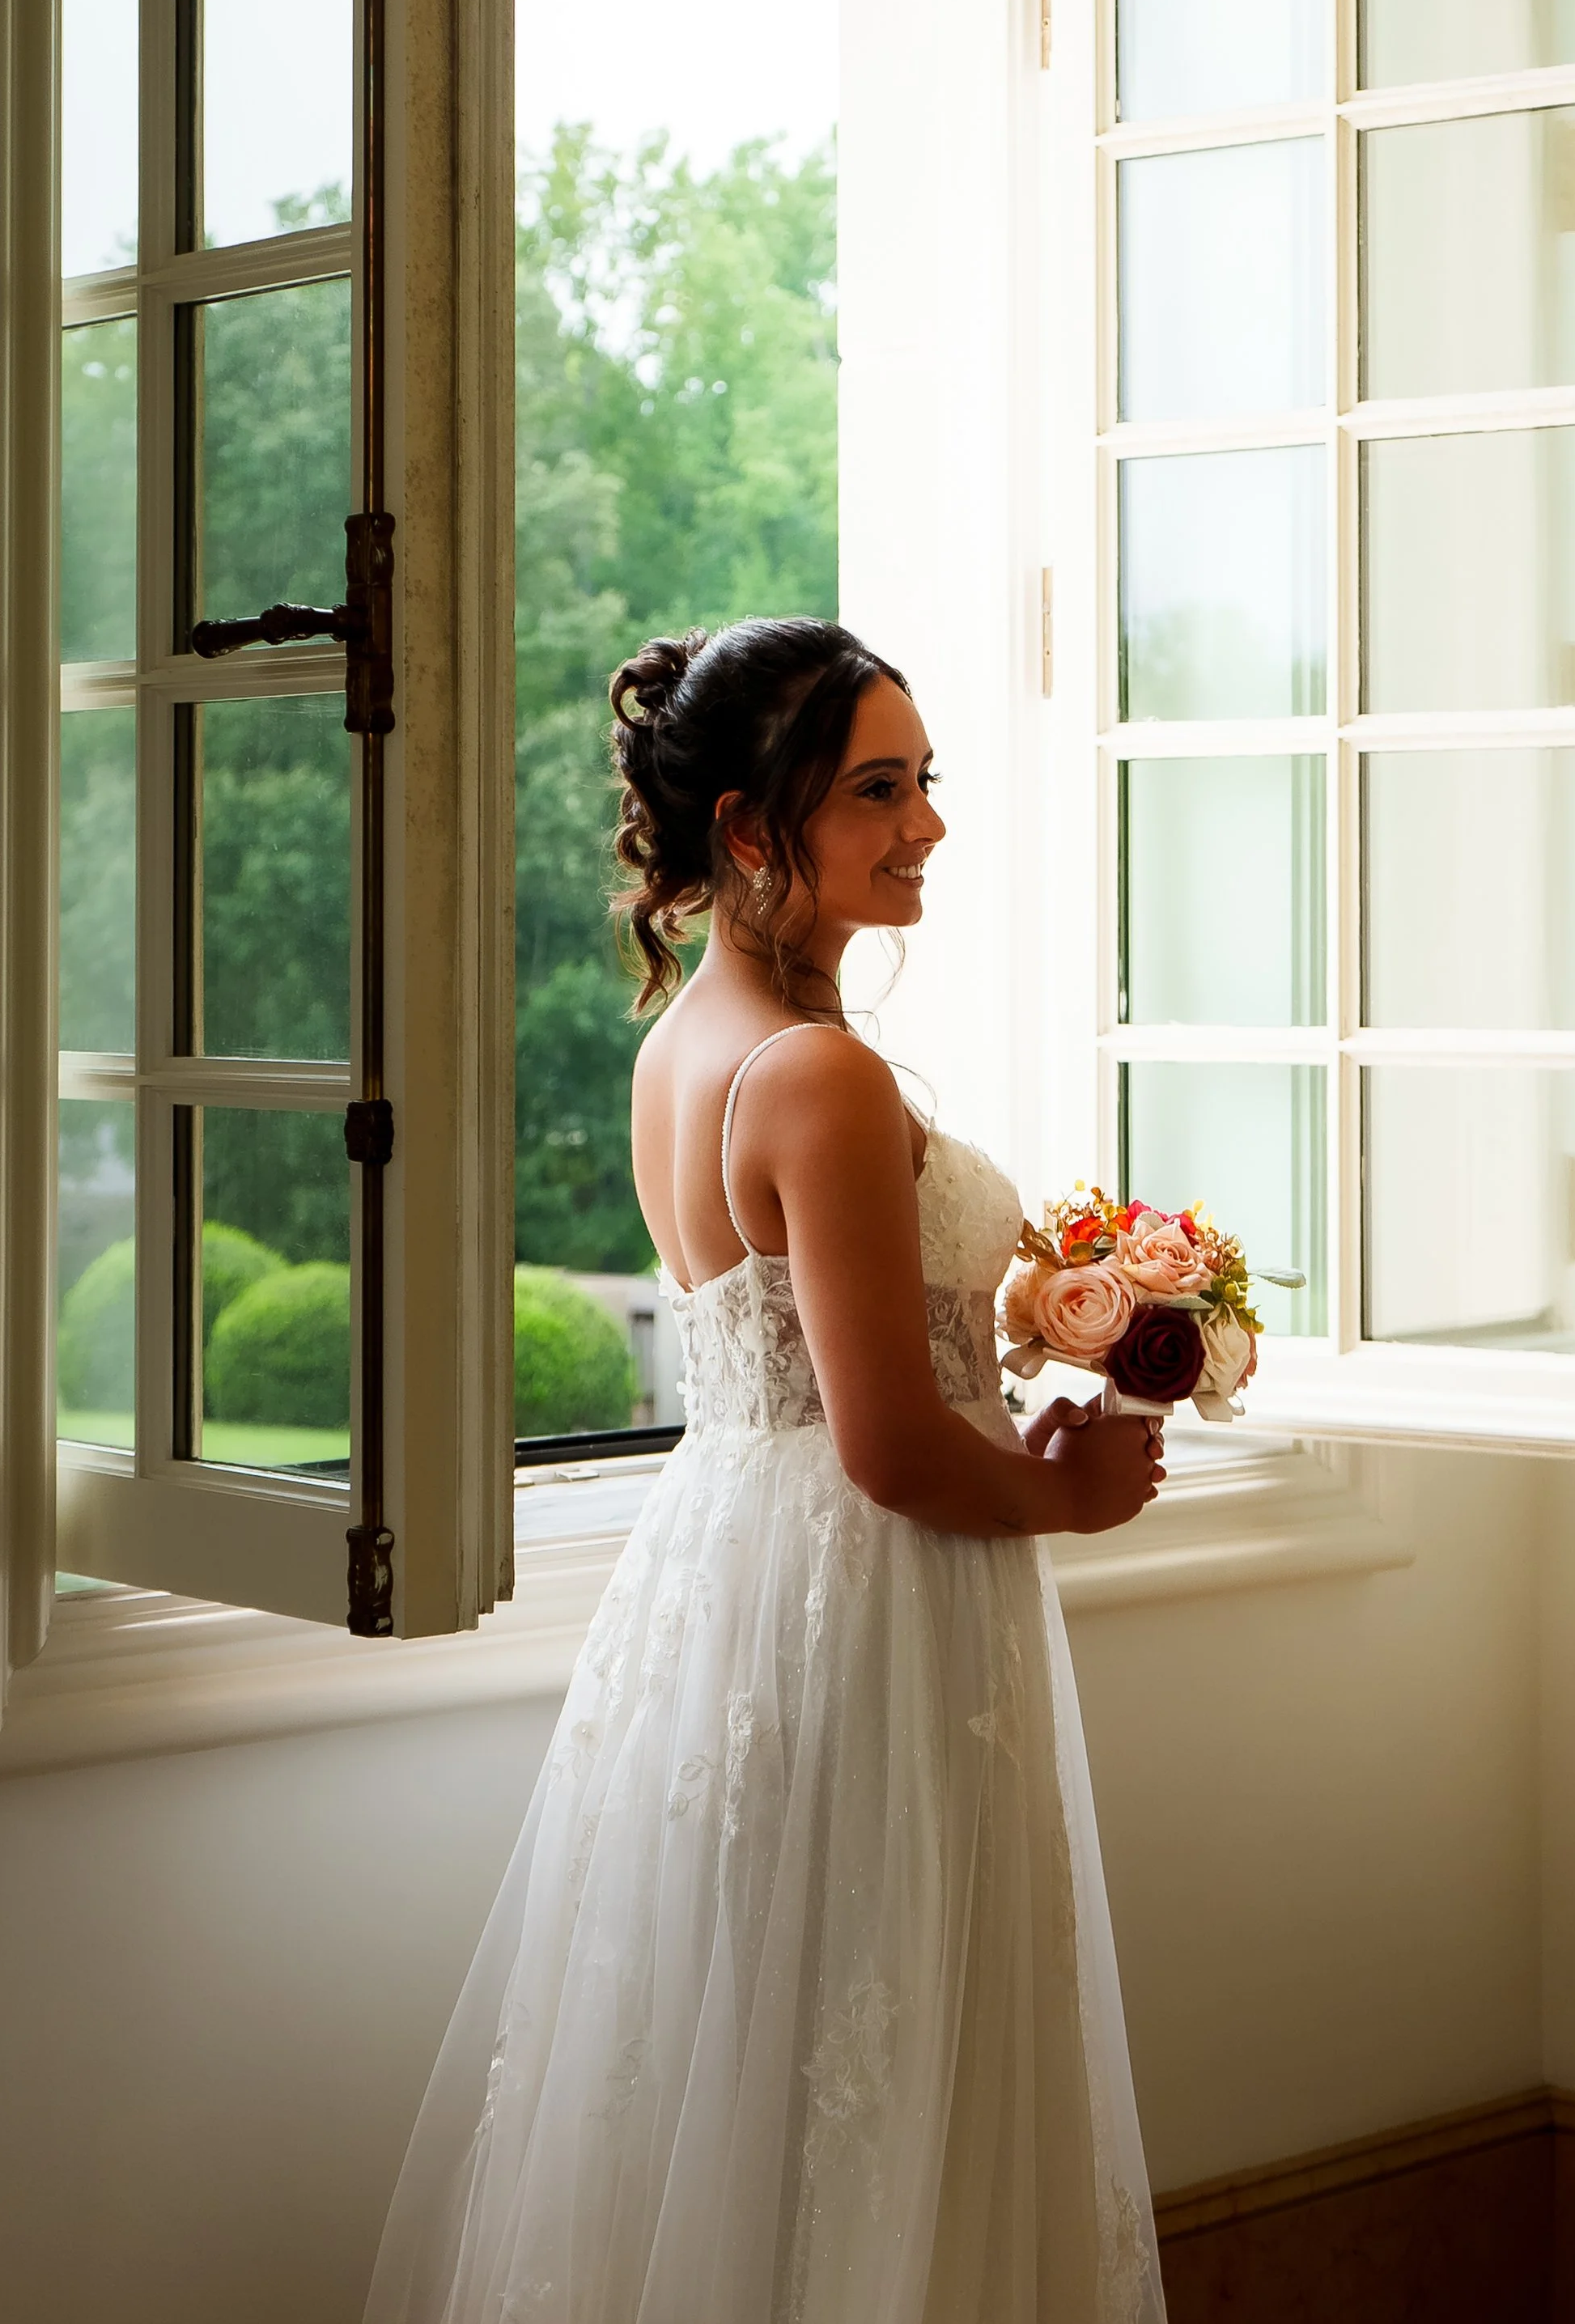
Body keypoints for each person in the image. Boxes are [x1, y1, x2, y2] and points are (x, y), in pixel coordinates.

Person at [365, 617, 1168, 2324]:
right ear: (748, 826)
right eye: (878, 787)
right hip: (866, 1595)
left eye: (924, 779)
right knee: (873, 2055)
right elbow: (884, 1444)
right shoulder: (815, 1069)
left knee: (755, 2048)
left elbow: (821, 1343)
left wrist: (1035, 1306)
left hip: (733, 1565)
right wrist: (1069, 1495)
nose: (926, 822)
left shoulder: (684, 1043)